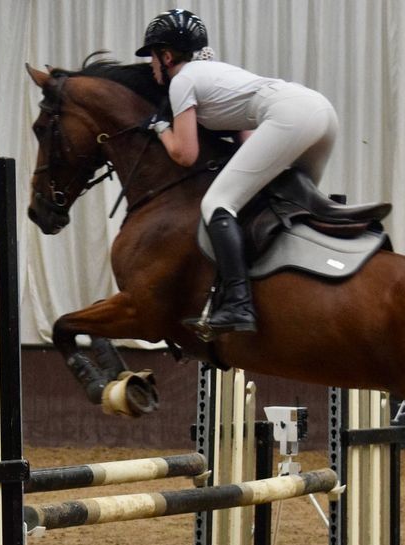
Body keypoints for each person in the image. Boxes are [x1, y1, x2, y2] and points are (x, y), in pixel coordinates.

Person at [137, 9, 339, 338]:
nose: (151, 65)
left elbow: (185, 154)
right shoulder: (216, 73)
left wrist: (160, 127)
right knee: (289, 202)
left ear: (167, 55)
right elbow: (246, 140)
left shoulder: (182, 81)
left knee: (217, 204)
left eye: (153, 57)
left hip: (293, 116)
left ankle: (239, 304)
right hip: (321, 113)